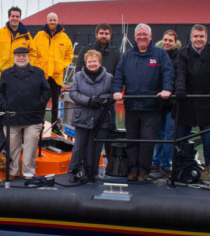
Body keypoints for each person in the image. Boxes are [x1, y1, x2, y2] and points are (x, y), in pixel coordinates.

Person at [112, 24, 174, 181]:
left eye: (145, 34)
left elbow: (168, 73)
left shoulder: (160, 54)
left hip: (151, 107)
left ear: (151, 36)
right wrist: (117, 90)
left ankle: (144, 171)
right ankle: (133, 169)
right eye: (139, 34)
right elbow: (119, 75)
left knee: (147, 141)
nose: (142, 37)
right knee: (132, 139)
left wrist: (167, 89)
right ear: (135, 37)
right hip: (131, 106)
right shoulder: (127, 55)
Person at [174, 24, 210, 171]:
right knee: (180, 137)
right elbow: (180, 72)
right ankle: (179, 168)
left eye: (201, 36)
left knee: (209, 138)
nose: (198, 39)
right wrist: (180, 89)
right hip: (186, 100)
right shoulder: (183, 52)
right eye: (196, 36)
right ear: (191, 38)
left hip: (206, 100)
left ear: (206, 38)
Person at [0, 46, 50, 180]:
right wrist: (4, 104)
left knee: (31, 146)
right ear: (14, 57)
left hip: (32, 116)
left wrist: (39, 104)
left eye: (24, 55)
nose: (21, 58)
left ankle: (28, 171)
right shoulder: (6, 73)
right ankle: (13, 171)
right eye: (18, 55)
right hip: (11, 117)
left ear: (28, 57)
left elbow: (46, 91)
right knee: (12, 146)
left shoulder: (38, 72)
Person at [75, 23, 122, 159]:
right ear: (96, 34)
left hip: (107, 102)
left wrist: (108, 96)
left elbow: (118, 77)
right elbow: (78, 73)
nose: (104, 36)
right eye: (101, 33)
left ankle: (110, 163)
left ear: (110, 35)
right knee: (85, 133)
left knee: (110, 131)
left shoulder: (116, 54)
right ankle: (83, 163)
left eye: (106, 33)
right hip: (88, 102)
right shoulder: (85, 50)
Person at [68, 50, 113, 182]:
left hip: (100, 119)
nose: (92, 64)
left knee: (95, 147)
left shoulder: (109, 78)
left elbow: (112, 94)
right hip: (82, 117)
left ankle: (92, 172)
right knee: (79, 146)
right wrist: (88, 101)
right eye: (89, 61)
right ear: (85, 63)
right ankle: (73, 170)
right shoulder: (78, 76)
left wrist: (100, 100)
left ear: (100, 62)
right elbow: (73, 92)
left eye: (95, 61)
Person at [33, 12, 73, 135]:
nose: (52, 22)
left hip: (56, 75)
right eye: (50, 20)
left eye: (54, 20)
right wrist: (35, 68)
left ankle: (55, 126)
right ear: (47, 21)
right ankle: (39, 125)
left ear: (57, 21)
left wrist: (63, 66)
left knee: (56, 102)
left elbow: (69, 54)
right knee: (41, 102)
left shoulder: (64, 37)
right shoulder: (39, 36)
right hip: (42, 75)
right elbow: (33, 52)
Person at [152, 30, 180, 173]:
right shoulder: (156, 56)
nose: (167, 42)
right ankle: (155, 161)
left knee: (169, 133)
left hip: (172, 103)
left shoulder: (178, 58)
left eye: (170, 40)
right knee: (158, 133)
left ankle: (165, 163)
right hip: (158, 101)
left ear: (175, 43)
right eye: (165, 39)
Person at [0, 6, 36, 80]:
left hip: (21, 74)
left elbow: (33, 52)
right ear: (9, 17)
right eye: (13, 16)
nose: (15, 18)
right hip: (3, 74)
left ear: (20, 18)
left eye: (17, 16)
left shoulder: (26, 35)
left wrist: (28, 66)